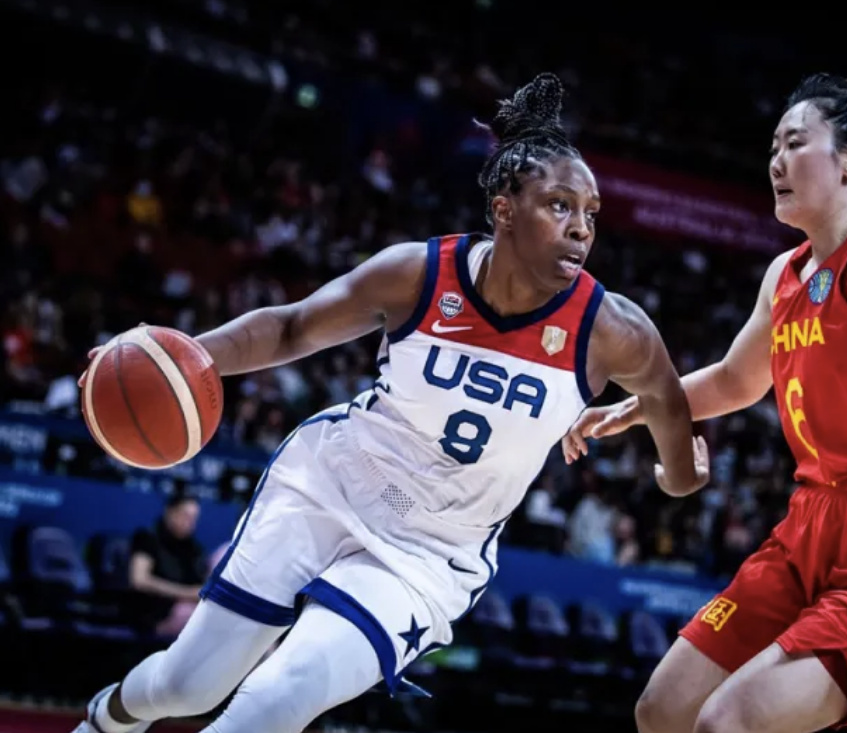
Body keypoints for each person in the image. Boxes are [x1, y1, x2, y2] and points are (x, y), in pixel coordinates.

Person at [72, 72, 709, 733]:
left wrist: (679, 476)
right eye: (559, 206)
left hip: (431, 550)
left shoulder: (612, 329)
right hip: (333, 482)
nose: (580, 230)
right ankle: (106, 720)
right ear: (504, 210)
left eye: (590, 214)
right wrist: (170, 362)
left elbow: (667, 400)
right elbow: (291, 328)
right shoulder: (419, 275)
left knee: (277, 698)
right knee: (187, 685)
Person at [564, 73, 847, 733]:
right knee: (663, 709)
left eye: (795, 143)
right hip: (811, 523)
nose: (776, 162)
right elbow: (736, 379)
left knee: (727, 721)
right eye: (773, 148)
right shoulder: (784, 274)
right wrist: (642, 406)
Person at [127, 493, 206, 636]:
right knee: (188, 615)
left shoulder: (194, 549)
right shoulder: (147, 538)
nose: (190, 523)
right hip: (152, 612)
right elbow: (140, 580)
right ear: (170, 512)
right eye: (185, 516)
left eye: (194, 518)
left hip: (185, 609)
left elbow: (200, 585)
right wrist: (185, 593)